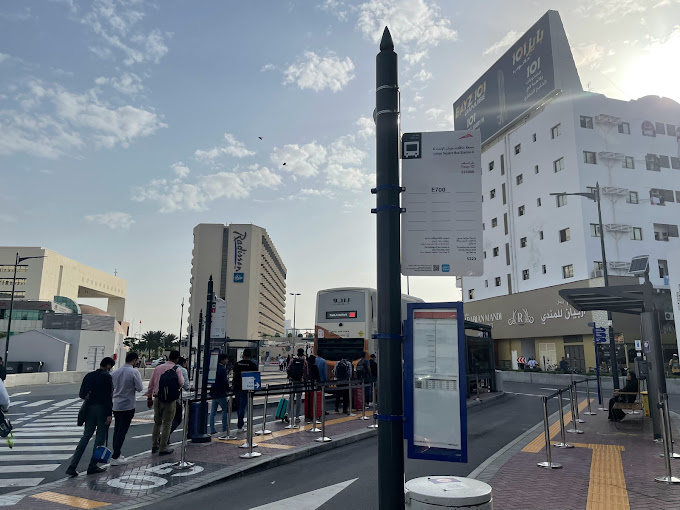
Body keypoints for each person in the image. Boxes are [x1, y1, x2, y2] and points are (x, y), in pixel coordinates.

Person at [66, 357, 115, 477]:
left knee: (86, 436)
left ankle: (72, 466)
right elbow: (109, 397)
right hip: (102, 410)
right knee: (100, 439)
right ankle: (92, 465)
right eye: (111, 367)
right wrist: (109, 414)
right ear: (108, 366)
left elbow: (82, 394)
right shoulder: (107, 377)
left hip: (89, 409)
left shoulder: (89, 376)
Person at [146, 350, 184, 455]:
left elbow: (151, 383)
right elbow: (181, 383)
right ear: (177, 359)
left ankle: (154, 445)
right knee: (167, 424)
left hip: (158, 398)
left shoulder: (158, 368)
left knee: (157, 423)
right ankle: (163, 447)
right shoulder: (177, 369)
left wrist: (149, 397)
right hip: (170, 400)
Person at [110, 352, 143, 466]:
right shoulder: (134, 372)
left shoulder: (115, 372)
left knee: (117, 429)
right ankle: (115, 456)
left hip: (116, 404)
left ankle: (117, 453)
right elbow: (139, 388)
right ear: (134, 360)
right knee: (122, 431)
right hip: (128, 405)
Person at [233, 349, 258, 432]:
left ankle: (240, 424)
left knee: (239, 406)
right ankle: (240, 425)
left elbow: (234, 375)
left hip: (237, 388)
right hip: (246, 388)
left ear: (242, 355)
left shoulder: (237, 364)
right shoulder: (252, 365)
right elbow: (255, 377)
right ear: (250, 356)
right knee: (243, 407)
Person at [287, 348, 308, 423]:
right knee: (298, 399)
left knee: (291, 397)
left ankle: (287, 413)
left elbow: (288, 369)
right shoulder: (304, 361)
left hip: (292, 381)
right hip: (300, 381)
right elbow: (306, 372)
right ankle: (297, 417)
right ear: (303, 353)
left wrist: (290, 377)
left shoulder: (292, 360)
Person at [209, 354, 230, 434]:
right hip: (221, 393)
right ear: (222, 360)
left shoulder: (214, 368)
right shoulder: (222, 369)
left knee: (213, 412)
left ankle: (212, 429)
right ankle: (224, 428)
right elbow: (224, 381)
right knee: (225, 410)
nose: (227, 361)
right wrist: (228, 389)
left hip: (213, 392)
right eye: (226, 359)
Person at [170, 356, 190, 434]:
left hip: (163, 396)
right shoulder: (183, 370)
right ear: (183, 363)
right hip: (176, 398)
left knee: (167, 420)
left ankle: (163, 437)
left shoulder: (168, 368)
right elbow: (186, 386)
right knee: (177, 419)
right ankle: (166, 435)